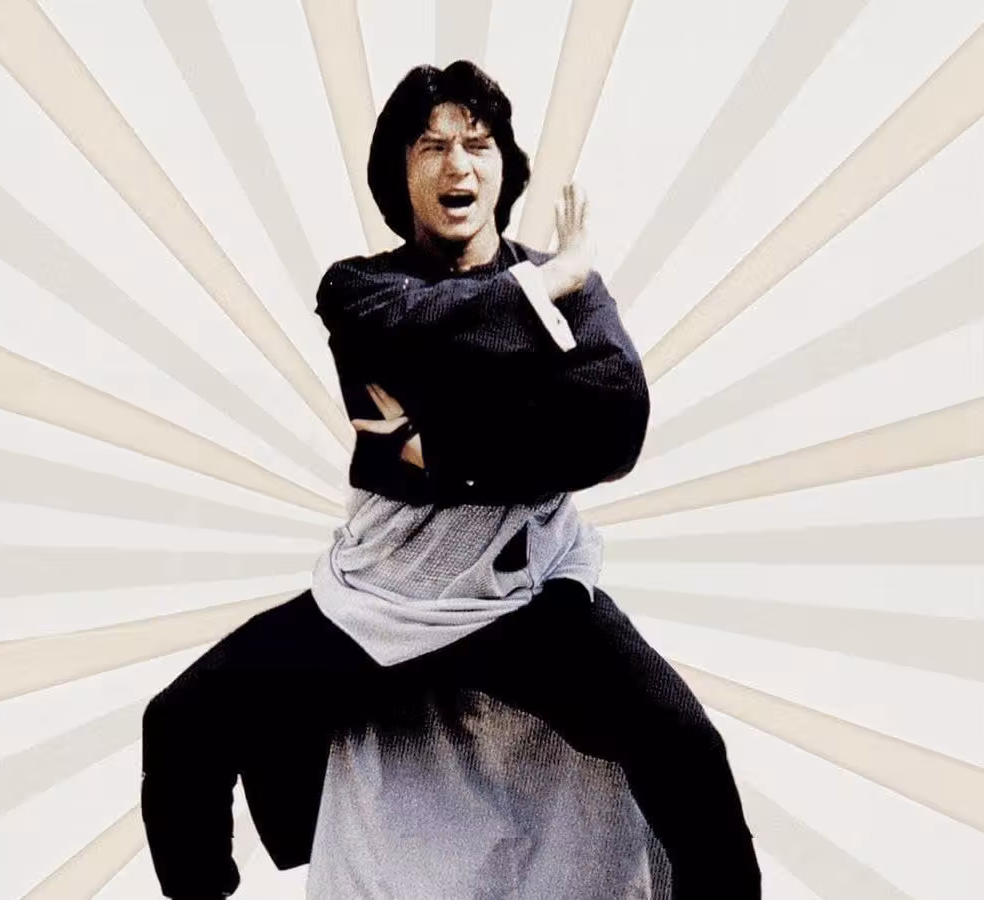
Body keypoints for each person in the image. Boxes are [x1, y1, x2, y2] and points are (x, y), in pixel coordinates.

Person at [139, 61, 761, 899]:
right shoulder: (360, 288)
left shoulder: (578, 292)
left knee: (684, 746)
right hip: (383, 592)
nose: (457, 164)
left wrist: (437, 443)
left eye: (477, 142)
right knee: (183, 724)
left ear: (505, 167)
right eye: (431, 146)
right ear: (399, 174)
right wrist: (544, 298)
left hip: (522, 591)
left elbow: (615, 427)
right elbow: (416, 332)